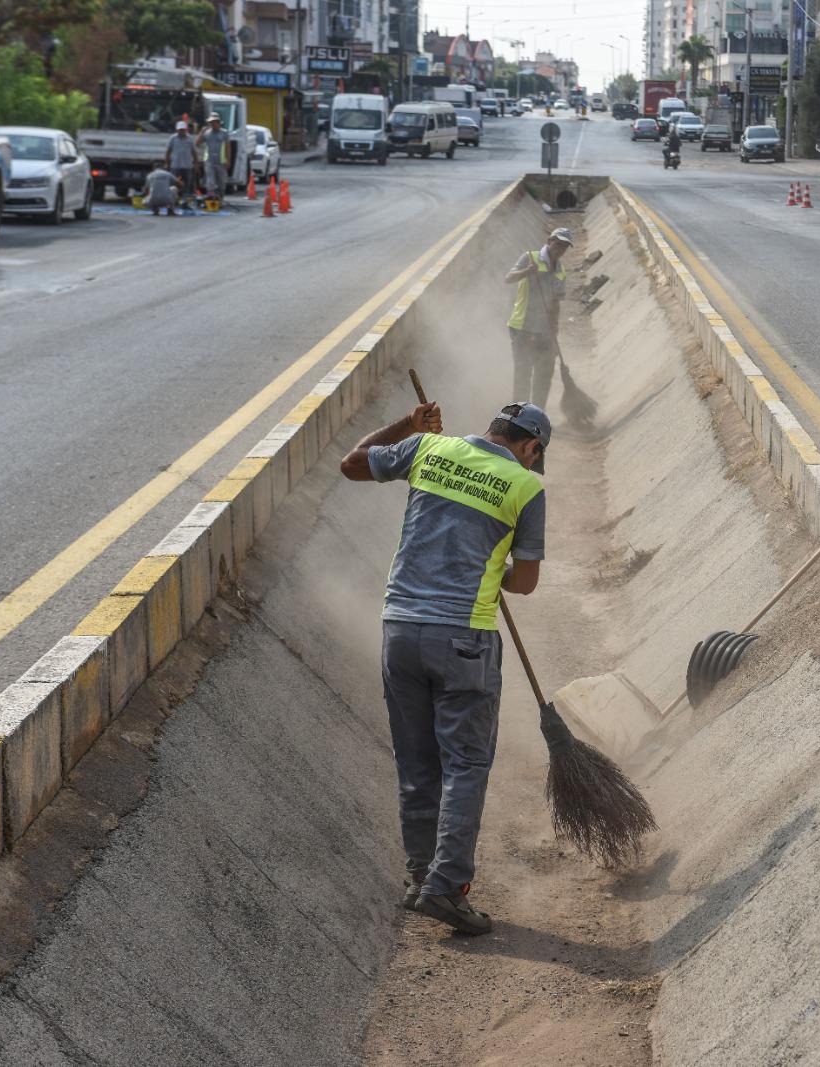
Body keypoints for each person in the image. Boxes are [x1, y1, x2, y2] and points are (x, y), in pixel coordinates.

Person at [340, 399, 551, 936]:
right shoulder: (526, 487)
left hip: (399, 631)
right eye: (534, 457)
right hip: (464, 639)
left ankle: (419, 876)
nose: (531, 466)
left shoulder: (429, 447)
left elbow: (355, 461)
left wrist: (408, 424)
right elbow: (525, 584)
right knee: (465, 764)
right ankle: (448, 886)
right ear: (531, 447)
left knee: (416, 760)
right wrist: (496, 564)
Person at [504, 227, 573, 407]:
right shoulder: (530, 257)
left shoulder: (560, 271)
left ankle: (537, 414)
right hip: (522, 327)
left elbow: (556, 303)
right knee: (523, 373)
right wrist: (527, 271)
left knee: (544, 374)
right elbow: (509, 278)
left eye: (565, 247)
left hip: (545, 331)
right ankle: (518, 415)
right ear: (550, 241)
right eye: (558, 244)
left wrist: (555, 333)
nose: (560, 249)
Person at [197, 114, 229, 199]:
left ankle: (220, 198)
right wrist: (201, 132)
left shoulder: (224, 133)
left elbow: (228, 147)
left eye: (214, 122)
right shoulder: (207, 133)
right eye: (210, 123)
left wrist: (228, 160)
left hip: (221, 161)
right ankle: (210, 198)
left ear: (218, 123)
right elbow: (197, 143)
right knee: (210, 181)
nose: (212, 124)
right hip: (209, 161)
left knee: (221, 181)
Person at [165, 121, 197, 200]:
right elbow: (168, 151)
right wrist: (167, 163)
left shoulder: (190, 138)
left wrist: (196, 164)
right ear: (177, 130)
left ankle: (185, 200)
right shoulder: (173, 138)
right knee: (173, 184)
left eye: (183, 129)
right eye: (180, 130)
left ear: (185, 129)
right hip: (175, 165)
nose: (181, 131)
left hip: (188, 166)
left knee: (188, 184)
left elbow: (194, 152)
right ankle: (174, 199)